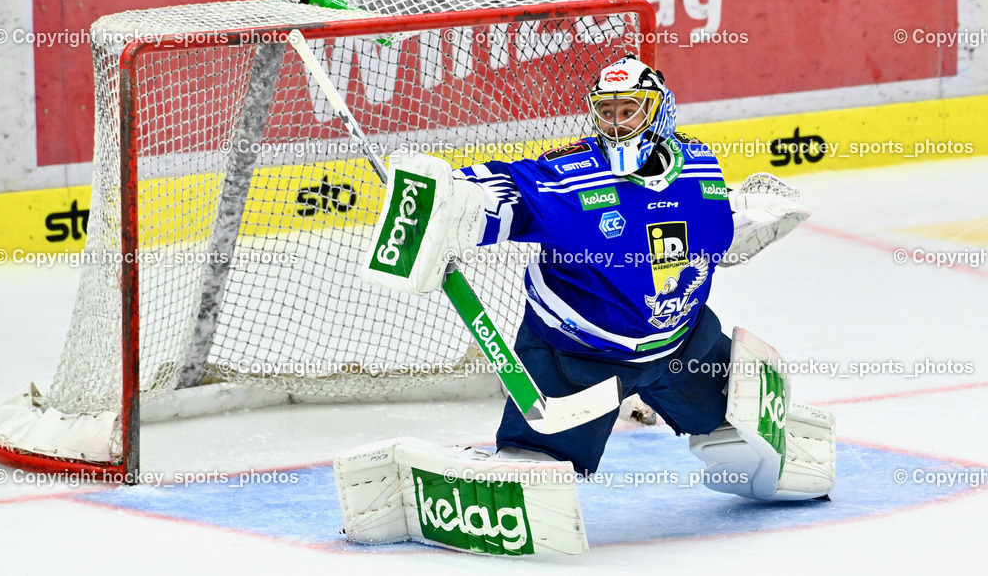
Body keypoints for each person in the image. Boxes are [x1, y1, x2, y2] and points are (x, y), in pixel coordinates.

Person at [342, 58, 835, 554]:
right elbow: (506, 190)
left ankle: (730, 431)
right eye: (607, 111)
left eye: (630, 109)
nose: (617, 123)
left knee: (760, 453)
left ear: (660, 112)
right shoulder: (569, 177)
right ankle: (439, 491)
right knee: (532, 473)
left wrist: (743, 220)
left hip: (683, 345)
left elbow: (711, 226)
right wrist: (446, 201)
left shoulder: (700, 163)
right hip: (575, 360)